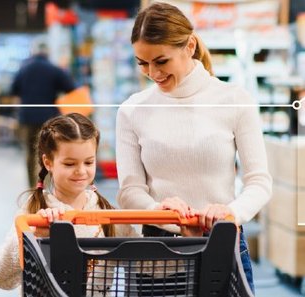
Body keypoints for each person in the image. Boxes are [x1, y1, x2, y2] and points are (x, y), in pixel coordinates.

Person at [115, 2, 272, 293]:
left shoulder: (234, 101)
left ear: (189, 46)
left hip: (223, 248)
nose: (152, 72)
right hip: (157, 258)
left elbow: (259, 183)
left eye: (161, 61)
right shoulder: (132, 110)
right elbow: (129, 190)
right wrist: (158, 209)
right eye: (143, 63)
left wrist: (229, 213)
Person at [0, 113, 138, 291]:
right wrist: (33, 237)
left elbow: (154, 267)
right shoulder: (35, 211)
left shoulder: (107, 216)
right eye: (69, 164)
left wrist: (176, 228)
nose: (81, 171)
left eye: (89, 162)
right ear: (48, 162)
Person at [12, 39, 76, 187]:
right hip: (48, 118)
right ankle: (44, 185)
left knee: (30, 152)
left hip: (26, 117)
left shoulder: (24, 68)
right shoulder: (53, 69)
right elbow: (71, 88)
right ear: (47, 52)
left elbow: (13, 89)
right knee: (48, 152)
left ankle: (31, 186)